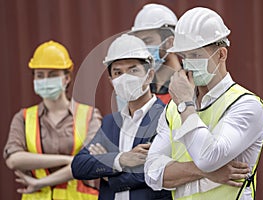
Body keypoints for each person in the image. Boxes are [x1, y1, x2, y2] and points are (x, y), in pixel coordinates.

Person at [144, 7, 263, 200]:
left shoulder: (246, 105)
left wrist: (186, 104)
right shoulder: (173, 108)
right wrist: (203, 172)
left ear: (221, 55)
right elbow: (152, 174)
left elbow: (208, 157)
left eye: (195, 55)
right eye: (184, 57)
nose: (188, 64)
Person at [71, 34, 173, 200]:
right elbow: (79, 166)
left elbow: (151, 174)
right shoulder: (110, 123)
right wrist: (120, 159)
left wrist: (106, 168)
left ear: (149, 75)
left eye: (133, 70)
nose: (125, 77)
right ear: (111, 80)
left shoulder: (166, 117)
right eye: (118, 72)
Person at [3, 40, 102, 200]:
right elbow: (14, 159)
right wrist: (68, 160)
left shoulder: (90, 115)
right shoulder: (23, 117)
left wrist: (40, 183)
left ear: (67, 78)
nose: (45, 80)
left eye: (53, 75)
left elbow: (90, 162)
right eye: (40, 75)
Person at [129, 3, 182, 104]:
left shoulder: (191, 84)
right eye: (140, 42)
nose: (143, 48)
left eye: (148, 41)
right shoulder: (141, 88)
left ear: (170, 42)